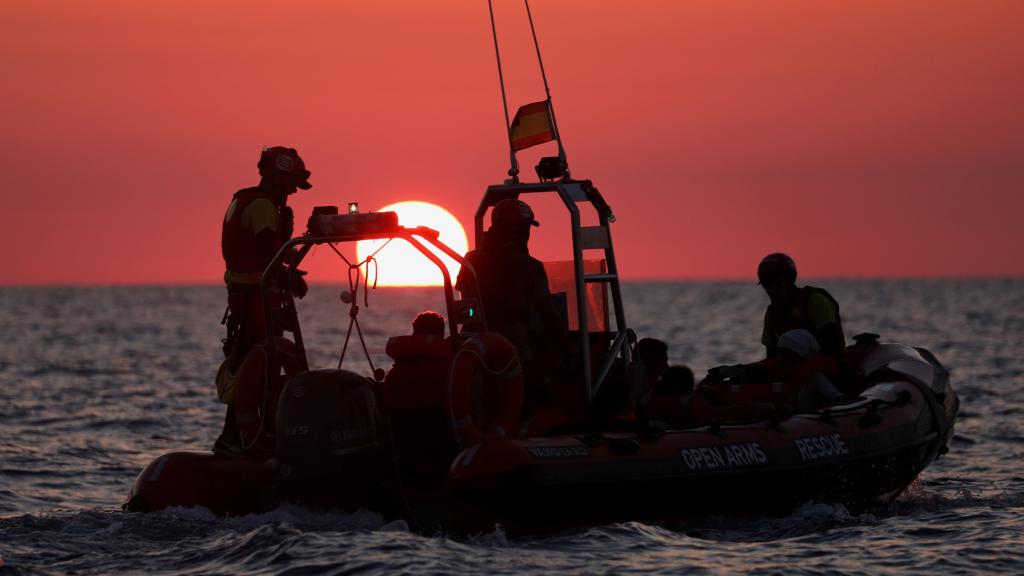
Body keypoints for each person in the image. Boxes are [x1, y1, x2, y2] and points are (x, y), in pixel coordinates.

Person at [214, 146, 312, 454]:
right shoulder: (263, 207)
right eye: (292, 184)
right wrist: (289, 277)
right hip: (257, 300)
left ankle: (244, 435)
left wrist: (296, 246)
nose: (293, 192)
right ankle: (240, 437)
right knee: (258, 369)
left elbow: (270, 249)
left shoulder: (244, 200)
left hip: (244, 298)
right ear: (280, 179)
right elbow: (269, 254)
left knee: (248, 365)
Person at [455, 198, 566, 415]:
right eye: (524, 228)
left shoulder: (470, 260)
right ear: (518, 230)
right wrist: (560, 347)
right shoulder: (530, 266)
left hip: (471, 346)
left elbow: (462, 293)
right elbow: (547, 316)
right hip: (514, 350)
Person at [757, 253, 845, 359]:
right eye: (767, 285)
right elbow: (771, 357)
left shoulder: (814, 300)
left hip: (826, 367)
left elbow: (832, 347)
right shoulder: (771, 314)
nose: (772, 290)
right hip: (793, 370)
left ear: (790, 280)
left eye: (778, 283)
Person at [775, 329, 842, 412]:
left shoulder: (815, 376)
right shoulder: (783, 375)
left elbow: (836, 398)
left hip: (813, 419)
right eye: (780, 352)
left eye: (787, 353)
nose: (781, 357)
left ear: (802, 354)